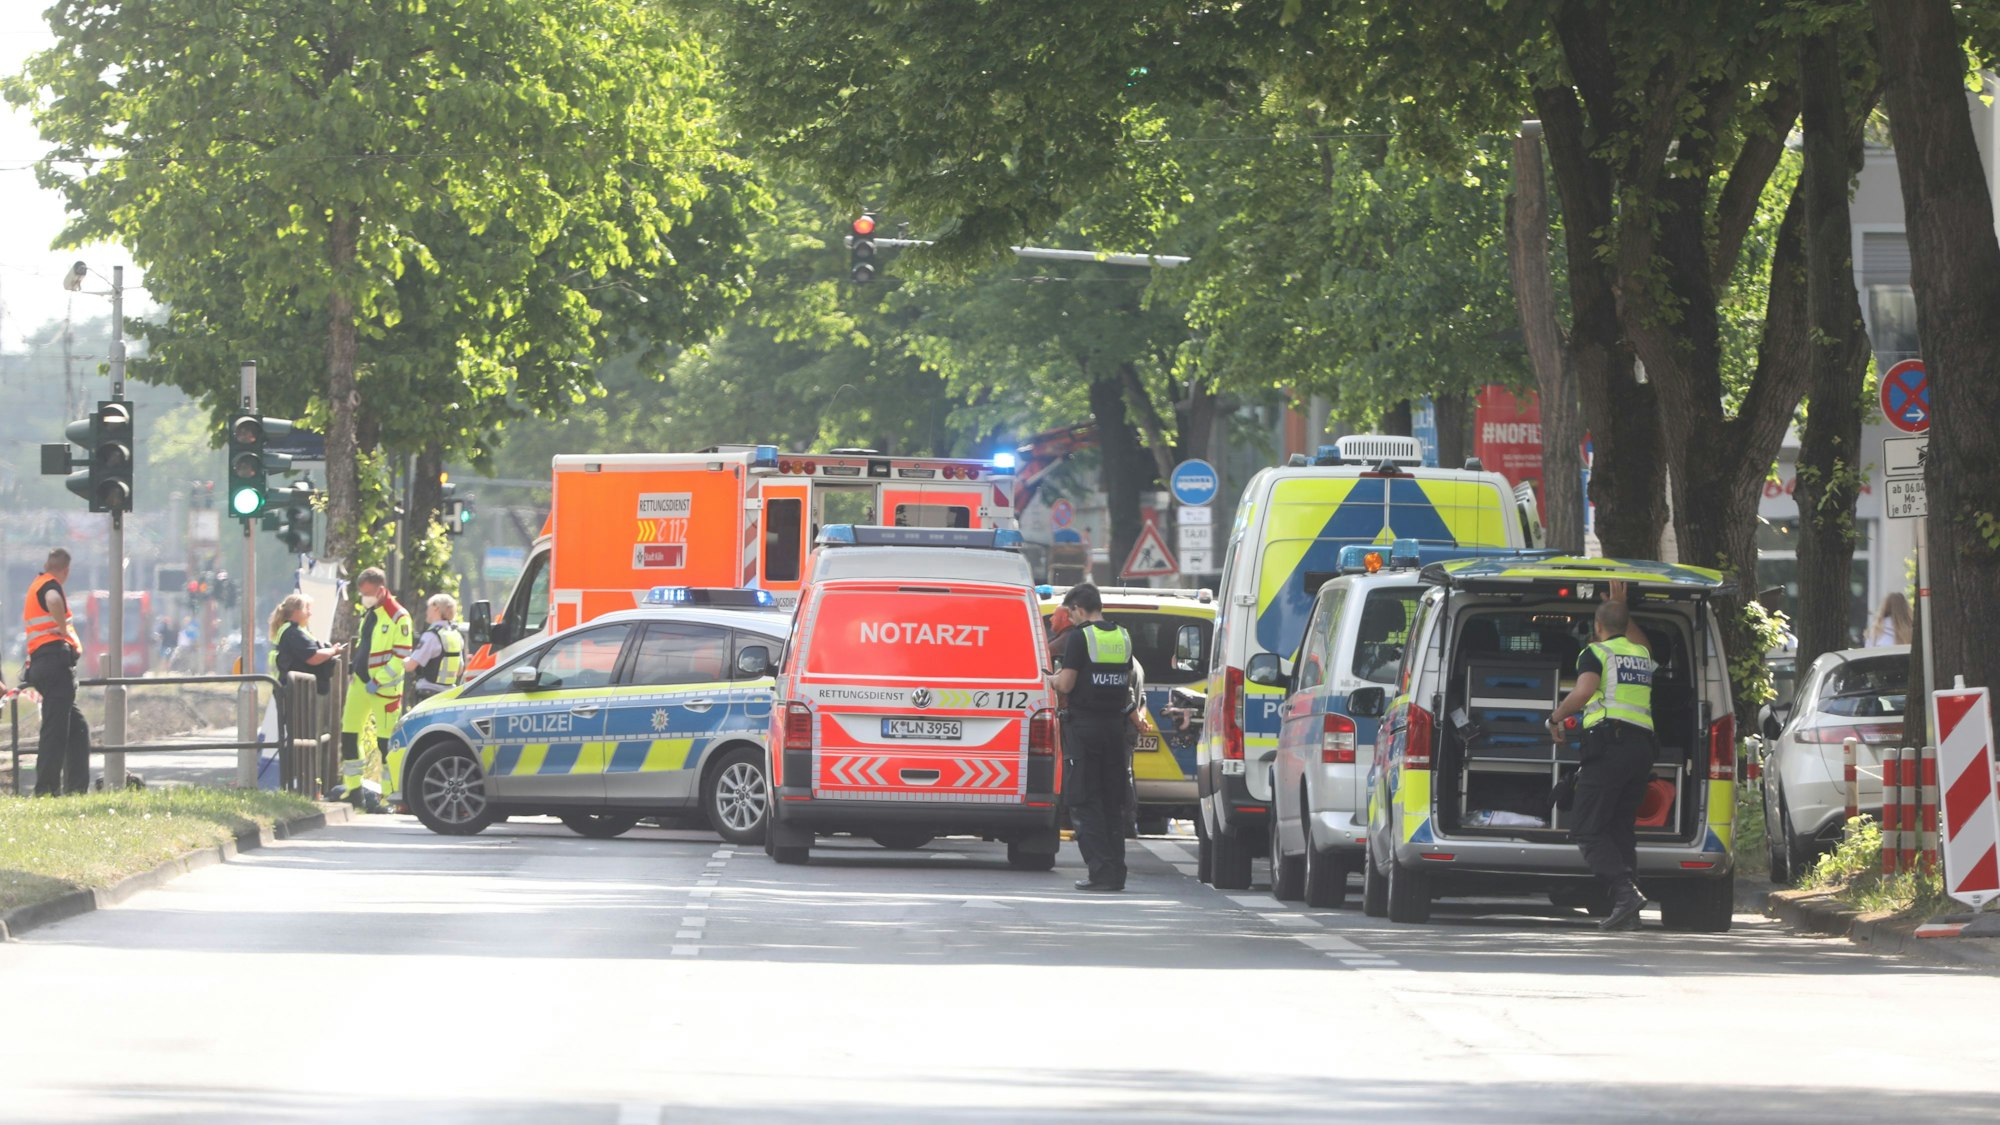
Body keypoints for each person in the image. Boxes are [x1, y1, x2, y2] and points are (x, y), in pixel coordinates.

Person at [1547, 586, 1656, 932]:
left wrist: (1555, 717)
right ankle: (1631, 912)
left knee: (1587, 828)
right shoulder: (1640, 653)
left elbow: (1583, 691)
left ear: (1597, 625)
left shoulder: (1594, 653)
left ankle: (1625, 894)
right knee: (1620, 828)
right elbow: (1633, 635)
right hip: (1641, 750)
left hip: (1610, 747)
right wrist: (1621, 607)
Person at [1053, 584, 1139, 892]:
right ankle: (1116, 873)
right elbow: (1125, 681)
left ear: (1077, 609)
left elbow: (1066, 684)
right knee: (1111, 801)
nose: (1070, 619)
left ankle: (1100, 872)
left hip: (1084, 729)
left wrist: (1049, 677)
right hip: (1114, 730)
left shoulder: (1080, 637)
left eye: (1069, 613)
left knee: (1084, 800)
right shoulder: (1123, 636)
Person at [339, 568, 413, 810]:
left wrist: (379, 680)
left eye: (368, 593)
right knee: (349, 734)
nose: (364, 597)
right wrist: (355, 671)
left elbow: (400, 657)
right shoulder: (370, 613)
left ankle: (391, 797)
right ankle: (353, 790)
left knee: (386, 744)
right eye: (362, 593)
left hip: (385, 691)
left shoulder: (399, 617)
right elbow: (365, 645)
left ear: (381, 590)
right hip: (360, 683)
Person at [22, 548, 90, 796]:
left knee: (77, 727)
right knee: (55, 730)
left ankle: (77, 787)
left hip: (42, 663)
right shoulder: (50, 585)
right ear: (66, 570)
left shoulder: (36, 584)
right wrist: (62, 629)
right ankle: (47, 790)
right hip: (54, 663)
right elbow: (53, 600)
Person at [405, 593, 466, 701]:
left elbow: (410, 666)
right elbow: (460, 670)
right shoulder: (456, 635)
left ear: (436, 608)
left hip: (428, 696)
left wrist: (403, 659)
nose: (426, 611)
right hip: (448, 696)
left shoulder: (431, 636)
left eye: (428, 607)